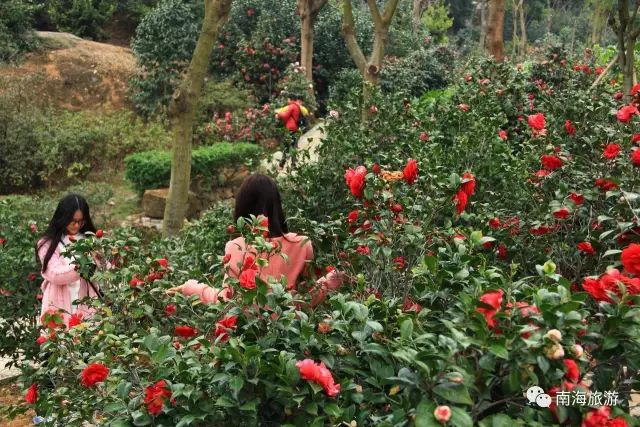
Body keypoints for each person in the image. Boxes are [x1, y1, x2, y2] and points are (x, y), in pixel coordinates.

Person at [167, 174, 343, 306]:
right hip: (290, 338)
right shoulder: (302, 245)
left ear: (242, 208)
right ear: (277, 205)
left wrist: (191, 288)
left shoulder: (236, 248)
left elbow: (228, 301)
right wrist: (333, 279)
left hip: (250, 340)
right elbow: (307, 298)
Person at [35, 194, 102, 327]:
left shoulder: (91, 239)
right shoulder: (48, 243)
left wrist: (104, 259)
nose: (77, 225)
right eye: (73, 221)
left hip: (87, 307)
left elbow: (104, 272)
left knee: (88, 343)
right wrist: (85, 263)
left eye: (81, 221)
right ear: (62, 217)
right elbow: (55, 274)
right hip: (57, 309)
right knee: (60, 344)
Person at [275, 94, 310, 169]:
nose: (287, 101)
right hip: (296, 129)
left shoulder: (292, 106)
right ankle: (293, 165)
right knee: (293, 147)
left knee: (286, 147)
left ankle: (281, 165)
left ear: (290, 99)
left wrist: (278, 114)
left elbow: (285, 116)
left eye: (288, 99)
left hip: (290, 129)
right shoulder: (297, 106)